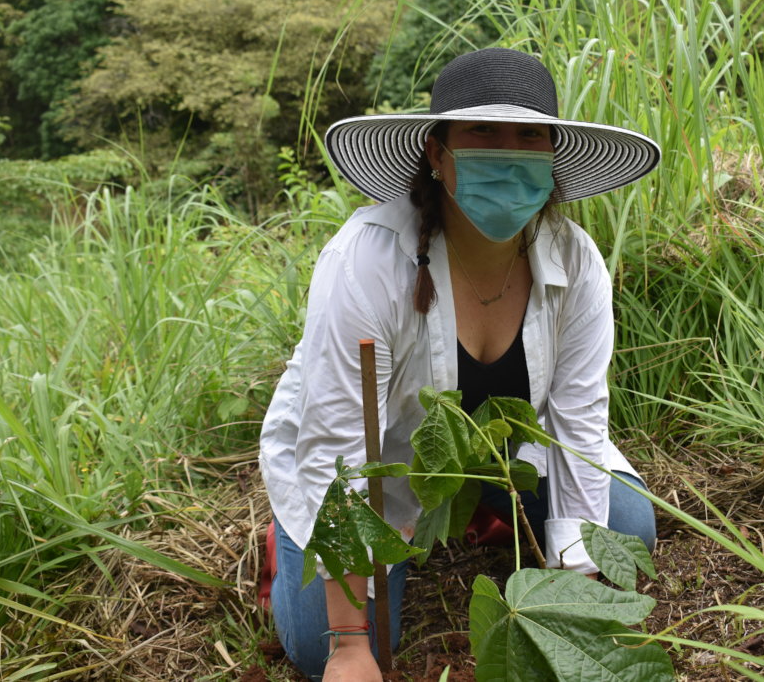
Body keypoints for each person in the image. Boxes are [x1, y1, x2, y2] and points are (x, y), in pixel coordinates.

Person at [259, 47, 661, 680]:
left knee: (630, 531)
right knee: (320, 648)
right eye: (482, 132)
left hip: (503, 460)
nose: (507, 152)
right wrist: (349, 645)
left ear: (552, 157)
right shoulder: (366, 263)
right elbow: (335, 454)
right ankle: (297, 548)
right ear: (437, 153)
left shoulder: (574, 263)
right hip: (377, 475)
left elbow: (579, 423)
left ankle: (476, 509)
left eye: (529, 135)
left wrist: (576, 598)